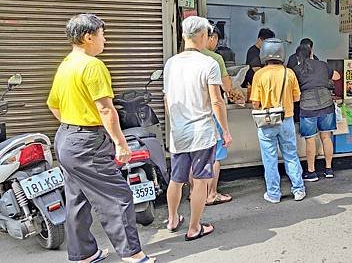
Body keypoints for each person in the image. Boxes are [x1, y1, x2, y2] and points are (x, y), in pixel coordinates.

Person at [47, 14, 154, 263]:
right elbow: (106, 109)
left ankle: (83, 254)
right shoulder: (92, 65)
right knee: (119, 196)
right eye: (103, 34)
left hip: (66, 137)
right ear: (88, 37)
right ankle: (132, 254)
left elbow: (53, 105)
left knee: (77, 198)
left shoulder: (66, 65)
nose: (105, 40)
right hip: (87, 142)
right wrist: (120, 143)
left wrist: (73, 122)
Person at [163, 16, 232, 240]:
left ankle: (172, 219)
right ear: (203, 36)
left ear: (184, 36)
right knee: (200, 180)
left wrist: (174, 125)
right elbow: (217, 101)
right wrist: (225, 130)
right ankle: (194, 228)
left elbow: (167, 100)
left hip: (179, 132)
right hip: (202, 132)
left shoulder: (171, 63)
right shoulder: (209, 63)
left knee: (177, 178)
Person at [250, 38, 306, 203]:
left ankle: (274, 194)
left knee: (270, 158)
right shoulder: (289, 73)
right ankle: (298, 189)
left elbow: (255, 103)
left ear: (264, 53)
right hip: (286, 119)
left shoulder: (259, 74)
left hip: (267, 121)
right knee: (291, 155)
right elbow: (296, 98)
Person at [292, 43, 340, 181]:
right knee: (326, 137)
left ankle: (311, 172)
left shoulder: (296, 69)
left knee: (310, 140)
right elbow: (336, 76)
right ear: (311, 53)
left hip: (307, 107)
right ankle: (329, 169)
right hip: (326, 104)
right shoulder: (322, 65)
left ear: (298, 56)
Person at [202, 26, 233, 205]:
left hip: (192, 114)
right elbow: (227, 87)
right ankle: (211, 193)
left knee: (195, 155)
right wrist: (226, 130)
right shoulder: (215, 58)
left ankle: (195, 192)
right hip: (212, 113)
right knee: (215, 156)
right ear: (210, 37)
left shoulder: (180, 59)